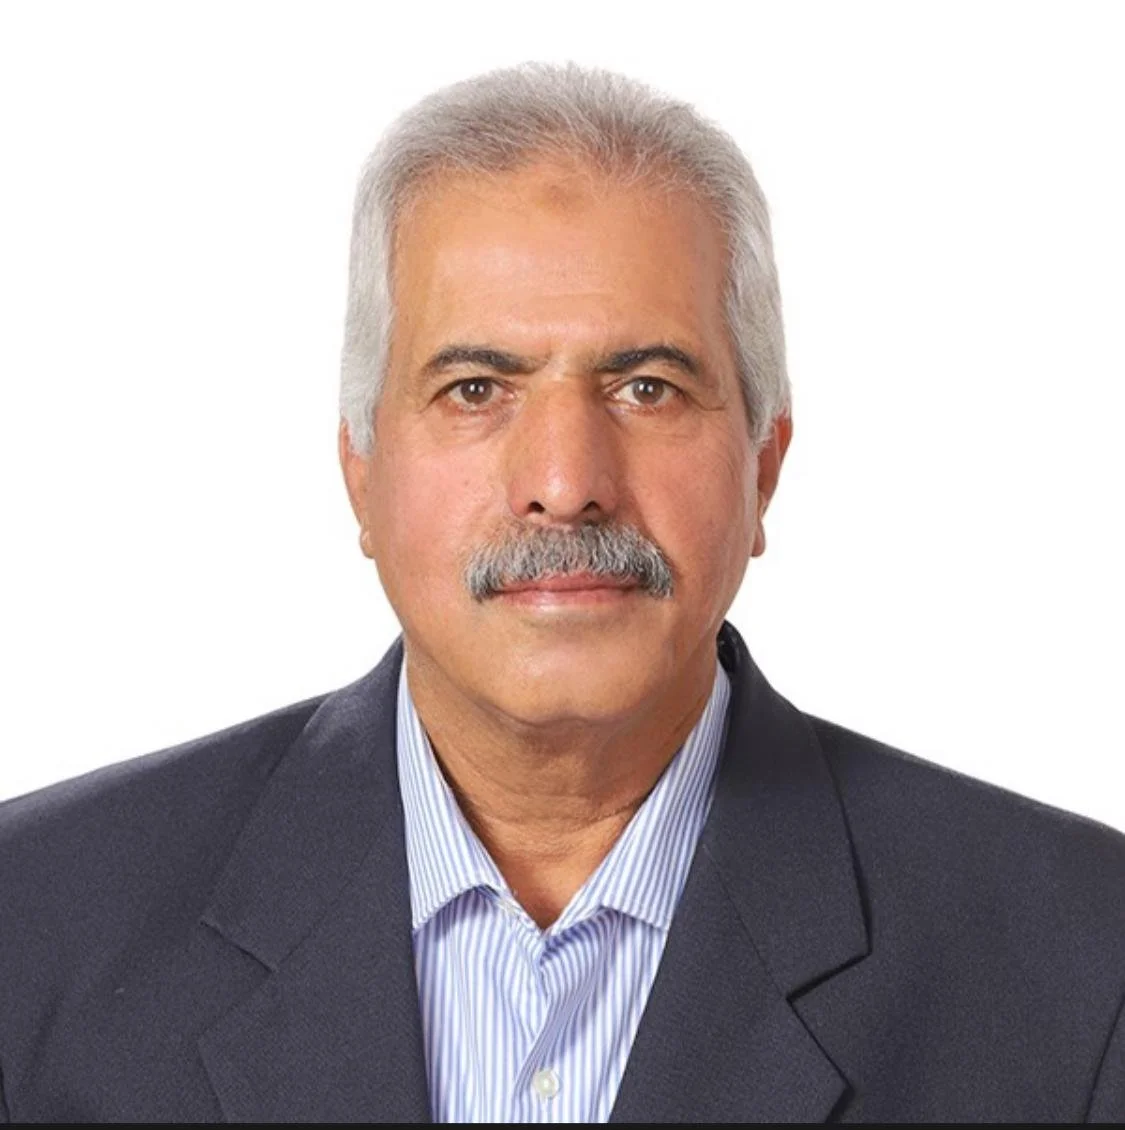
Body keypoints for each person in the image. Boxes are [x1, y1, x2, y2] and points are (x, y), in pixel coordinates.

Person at [1, 62, 1123, 1125]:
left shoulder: (1083, 957)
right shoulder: (36, 921)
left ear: (763, 464)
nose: (564, 484)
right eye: (475, 386)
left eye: (648, 385)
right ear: (360, 471)